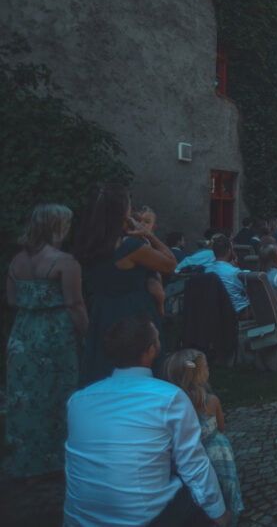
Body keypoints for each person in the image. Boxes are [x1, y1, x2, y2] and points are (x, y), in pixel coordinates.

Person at [64, 314, 230, 527]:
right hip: (145, 517)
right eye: (158, 338)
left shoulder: (78, 401)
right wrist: (217, 512)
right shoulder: (169, 397)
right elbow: (193, 463)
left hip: (80, 518)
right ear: (150, 350)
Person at [5, 204, 88, 479]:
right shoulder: (65, 262)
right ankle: (55, 459)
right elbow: (74, 303)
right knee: (58, 395)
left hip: (23, 334)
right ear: (57, 227)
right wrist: (86, 332)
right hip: (55, 335)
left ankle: (26, 458)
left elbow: (12, 301)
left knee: (24, 397)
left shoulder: (16, 261)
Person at [73, 184, 177, 385]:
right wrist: (148, 234)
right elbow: (170, 263)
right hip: (133, 310)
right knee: (138, 367)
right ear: (121, 211)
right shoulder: (129, 247)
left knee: (104, 368)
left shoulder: (91, 243)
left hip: (103, 310)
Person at [165, 349, 244, 527]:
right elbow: (221, 428)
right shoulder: (212, 401)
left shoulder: (178, 407)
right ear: (200, 373)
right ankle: (231, 516)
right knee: (227, 483)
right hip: (219, 451)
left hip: (196, 455)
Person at [206, 234, 249, 315]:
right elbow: (246, 289)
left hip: (216, 312)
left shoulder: (207, 270)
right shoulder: (234, 272)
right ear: (229, 251)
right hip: (237, 312)